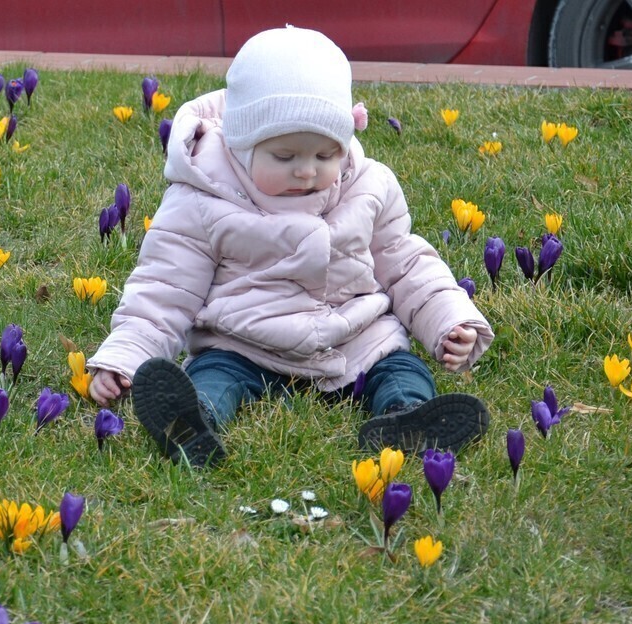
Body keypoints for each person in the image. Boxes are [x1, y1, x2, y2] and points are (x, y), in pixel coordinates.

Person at [87, 26, 493, 467]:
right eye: (285, 157)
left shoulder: (368, 184)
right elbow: (164, 286)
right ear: (241, 146)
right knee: (212, 376)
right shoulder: (204, 198)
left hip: (353, 339)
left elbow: (405, 261)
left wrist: (449, 320)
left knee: (398, 367)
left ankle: (407, 418)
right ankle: (191, 422)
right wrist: (125, 356)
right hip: (245, 343)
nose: (306, 172)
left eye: (324, 155)